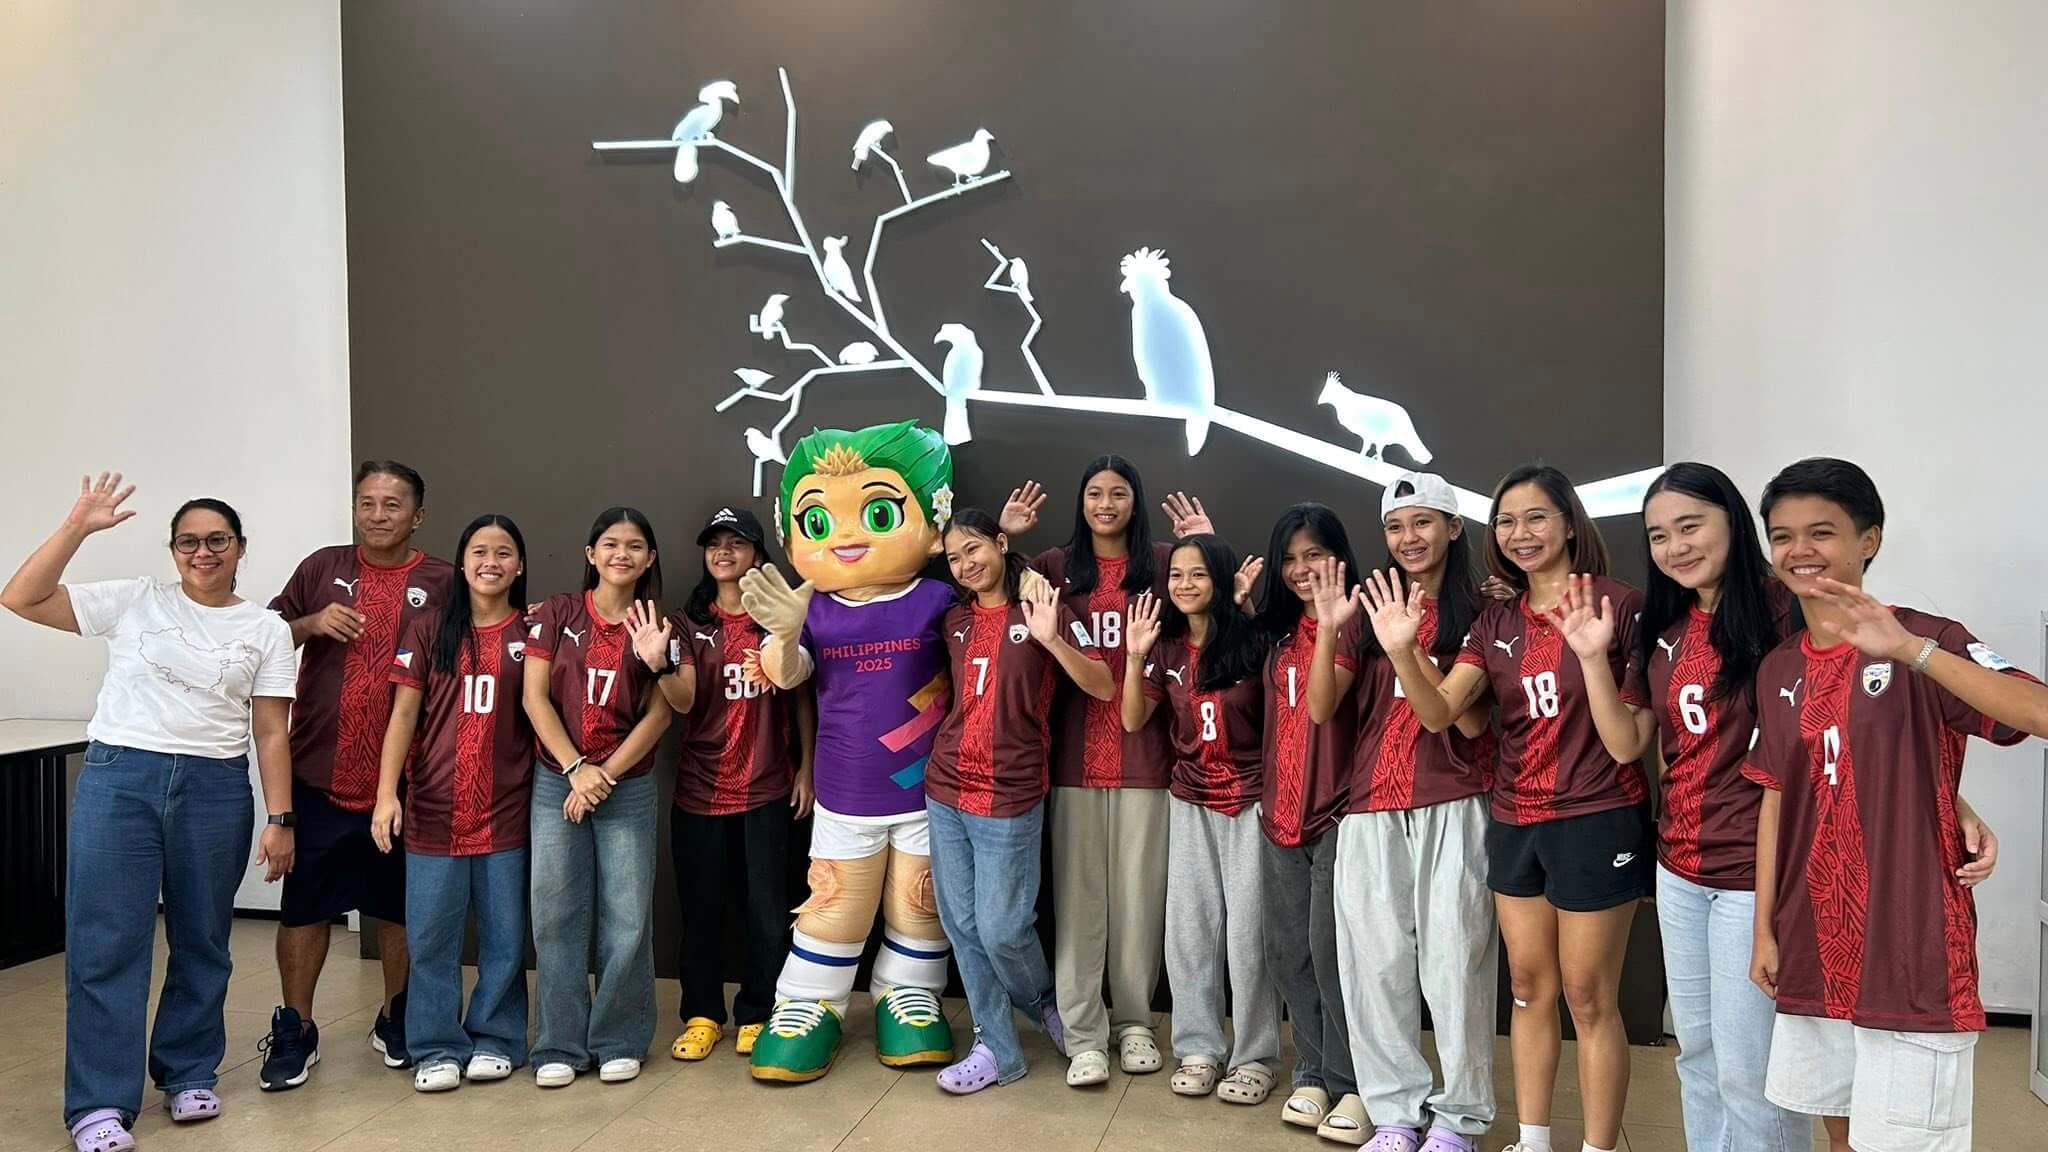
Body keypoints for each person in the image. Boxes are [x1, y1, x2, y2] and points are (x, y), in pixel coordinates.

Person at [1744, 458, 2048, 1152]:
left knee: (1909, 1140)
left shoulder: (1927, 637)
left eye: (1822, 532)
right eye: (1783, 536)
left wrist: (1912, 652)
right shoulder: (1779, 665)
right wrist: (1765, 929)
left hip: (1913, 949)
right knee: (1841, 1127)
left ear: (1869, 541)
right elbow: (1778, 801)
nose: (1801, 552)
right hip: (1814, 940)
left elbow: (2039, 711)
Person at [4, 475, 297, 1152]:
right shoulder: (135, 600)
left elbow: (272, 731)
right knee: (108, 943)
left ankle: (189, 1071)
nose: (203, 552)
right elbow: (20, 596)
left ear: (240, 548)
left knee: (203, 939)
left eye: (216, 540)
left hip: (215, 787)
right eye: (189, 542)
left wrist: (280, 819)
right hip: (121, 779)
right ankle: (100, 1103)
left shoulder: (266, 628)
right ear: (173, 551)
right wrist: (78, 525)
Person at [1370, 465, 1646, 1152]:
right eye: (1508, 521)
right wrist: (1405, 651)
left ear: (1569, 523)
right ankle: (1534, 1139)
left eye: (1536, 518)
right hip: (1515, 818)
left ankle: (1599, 1146)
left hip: (1597, 814)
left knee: (1588, 996)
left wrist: (1594, 659)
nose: (1520, 533)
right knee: (1527, 986)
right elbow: (1439, 713)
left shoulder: (1621, 606)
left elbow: (1630, 743)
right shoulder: (1495, 620)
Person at [740, 422, 963, 1083]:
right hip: (846, 787)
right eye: (817, 517)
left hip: (931, 788)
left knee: (920, 902)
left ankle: (909, 991)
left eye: (880, 510)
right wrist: (781, 634)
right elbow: (787, 675)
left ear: (933, 522)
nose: (845, 534)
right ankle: (810, 1003)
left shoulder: (939, 598)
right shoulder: (814, 608)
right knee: (835, 900)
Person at [996, 462, 1212, 1087]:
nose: (1106, 503)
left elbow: (1215, 601)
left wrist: (1209, 542)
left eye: (1119, 493)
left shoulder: (1165, 562)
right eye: (1094, 492)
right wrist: (1009, 537)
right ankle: (1085, 1032)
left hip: (1149, 759)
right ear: (1080, 502)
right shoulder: (1057, 568)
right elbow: (990, 588)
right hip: (1072, 760)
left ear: (1136, 502)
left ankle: (1136, 1023)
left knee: (1140, 900)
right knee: (1079, 901)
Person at [262, 460, 455, 1088]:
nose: (377, 515)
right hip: (317, 773)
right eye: (366, 503)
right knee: (303, 911)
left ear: (417, 515)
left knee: (400, 910)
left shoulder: (443, 581)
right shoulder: (321, 567)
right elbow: (260, 638)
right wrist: (310, 623)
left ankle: (396, 1014)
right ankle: (296, 1026)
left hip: (405, 784)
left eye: (392, 505)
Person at [1331, 473, 1496, 1152]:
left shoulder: (1488, 611)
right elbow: (1324, 708)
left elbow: (1465, 723)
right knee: (1373, 966)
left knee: (1455, 965)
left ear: (1454, 529)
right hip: (1370, 802)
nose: (1409, 539)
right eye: (1396, 527)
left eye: (1424, 523)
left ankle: (1458, 1121)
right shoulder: (1369, 605)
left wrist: (1413, 648)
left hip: (1453, 799)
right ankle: (1397, 1114)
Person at [926, 509, 1112, 1093]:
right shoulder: (952, 620)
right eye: (954, 558)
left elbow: (1103, 684)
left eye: (975, 549)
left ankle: (1043, 1004)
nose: (966, 565)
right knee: (962, 925)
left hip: (1011, 791)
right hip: (947, 786)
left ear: (1002, 544)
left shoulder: (1044, 607)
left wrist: (1052, 637)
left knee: (1003, 927)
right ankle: (998, 1050)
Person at [369, 514, 535, 1093]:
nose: (491, 562)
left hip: (506, 812)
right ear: (462, 562)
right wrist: (387, 793)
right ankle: (436, 1045)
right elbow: (404, 716)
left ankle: (497, 1038)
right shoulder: (428, 627)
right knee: (432, 938)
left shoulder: (531, 635)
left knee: (504, 937)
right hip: (433, 812)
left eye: (504, 552)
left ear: (519, 565)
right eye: (480, 551)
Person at [1121, 534, 1281, 1107]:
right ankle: (1198, 1046)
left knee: (1248, 935)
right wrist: (1136, 654)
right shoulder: (1164, 648)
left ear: (1220, 579)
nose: (1185, 585)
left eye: (1198, 575)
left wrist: (1244, 610)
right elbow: (1134, 719)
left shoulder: (1256, 642)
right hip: (1189, 798)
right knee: (1189, 930)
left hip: (1251, 802)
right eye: (1177, 576)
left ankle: (1256, 1055)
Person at [522, 507, 674, 1088]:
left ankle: (618, 1038)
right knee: (556, 912)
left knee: (628, 917)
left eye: (636, 545)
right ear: (591, 554)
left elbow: (661, 715)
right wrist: (575, 768)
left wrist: (602, 774)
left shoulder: (659, 624)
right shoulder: (559, 613)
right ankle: (558, 1043)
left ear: (650, 558)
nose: (622, 554)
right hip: (555, 779)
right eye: (610, 543)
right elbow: (535, 700)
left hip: (626, 786)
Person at [660, 506, 815, 1064]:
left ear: (758, 554)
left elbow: (803, 698)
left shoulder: (780, 620)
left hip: (767, 791)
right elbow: (677, 703)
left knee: (768, 912)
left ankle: (758, 1011)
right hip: (699, 793)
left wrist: (807, 768)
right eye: (715, 544)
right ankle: (702, 1014)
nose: (724, 552)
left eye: (738, 543)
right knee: (700, 911)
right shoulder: (685, 623)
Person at [1253, 503, 1368, 1143]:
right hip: (1278, 815)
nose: (1301, 570)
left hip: (1336, 813)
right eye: (1290, 558)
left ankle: (1353, 1085)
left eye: (1313, 556)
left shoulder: (1353, 624)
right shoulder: (1273, 632)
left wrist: (1327, 627)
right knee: (1287, 953)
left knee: (1332, 957)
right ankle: (1313, 1073)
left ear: (1339, 558)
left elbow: (1324, 707)